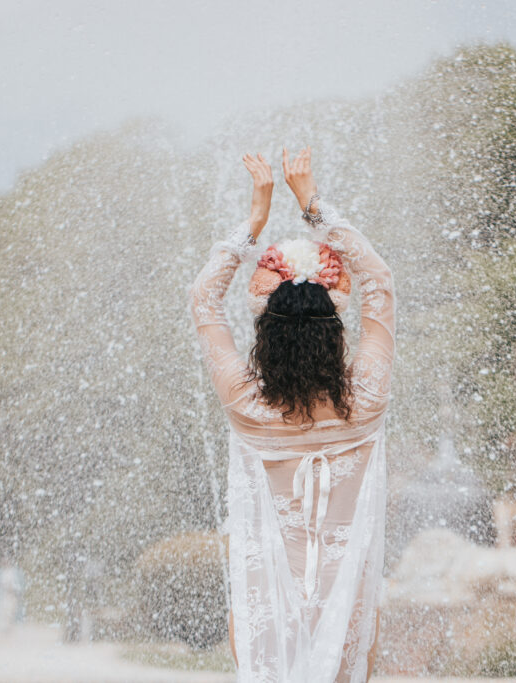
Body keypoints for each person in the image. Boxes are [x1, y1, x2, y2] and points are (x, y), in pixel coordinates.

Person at [189, 147, 394, 682]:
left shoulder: (248, 404)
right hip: (344, 597)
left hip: (268, 607)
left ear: (264, 331)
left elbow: (203, 301)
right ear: (336, 328)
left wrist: (255, 217)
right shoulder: (365, 399)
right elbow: (379, 281)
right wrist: (312, 203)